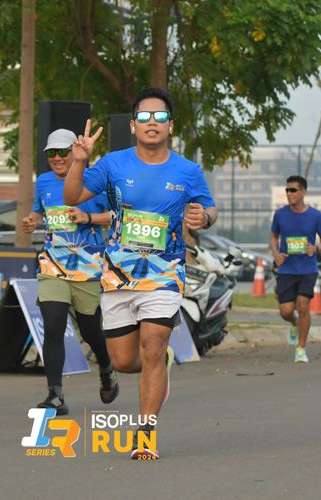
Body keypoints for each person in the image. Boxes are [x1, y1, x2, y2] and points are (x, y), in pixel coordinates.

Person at [64, 87, 217, 459]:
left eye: (160, 117)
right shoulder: (113, 164)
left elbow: (210, 209)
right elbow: (72, 197)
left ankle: (145, 432)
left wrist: (204, 217)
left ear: (171, 126)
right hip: (118, 274)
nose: (152, 123)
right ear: (133, 126)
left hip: (165, 273)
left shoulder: (187, 170)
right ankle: (161, 365)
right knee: (123, 361)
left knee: (152, 346)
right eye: (144, 117)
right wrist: (79, 161)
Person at [21, 128, 117, 415]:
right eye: (51, 153)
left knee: (91, 330)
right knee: (53, 326)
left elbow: (117, 217)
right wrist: (32, 221)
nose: (57, 158)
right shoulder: (44, 182)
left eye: (63, 152)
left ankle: (106, 367)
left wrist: (88, 216)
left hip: (88, 267)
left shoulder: (96, 181)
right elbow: (40, 212)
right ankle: (55, 395)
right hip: (53, 264)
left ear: (75, 152)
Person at [269, 175, 321, 363]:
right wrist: (276, 254)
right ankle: (295, 323)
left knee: (303, 305)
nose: (289, 193)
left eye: (293, 190)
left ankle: (301, 349)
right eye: (287, 190)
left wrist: (316, 248)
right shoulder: (280, 215)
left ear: (303, 192)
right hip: (286, 270)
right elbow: (273, 236)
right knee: (286, 311)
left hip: (307, 269)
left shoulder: (315, 215)